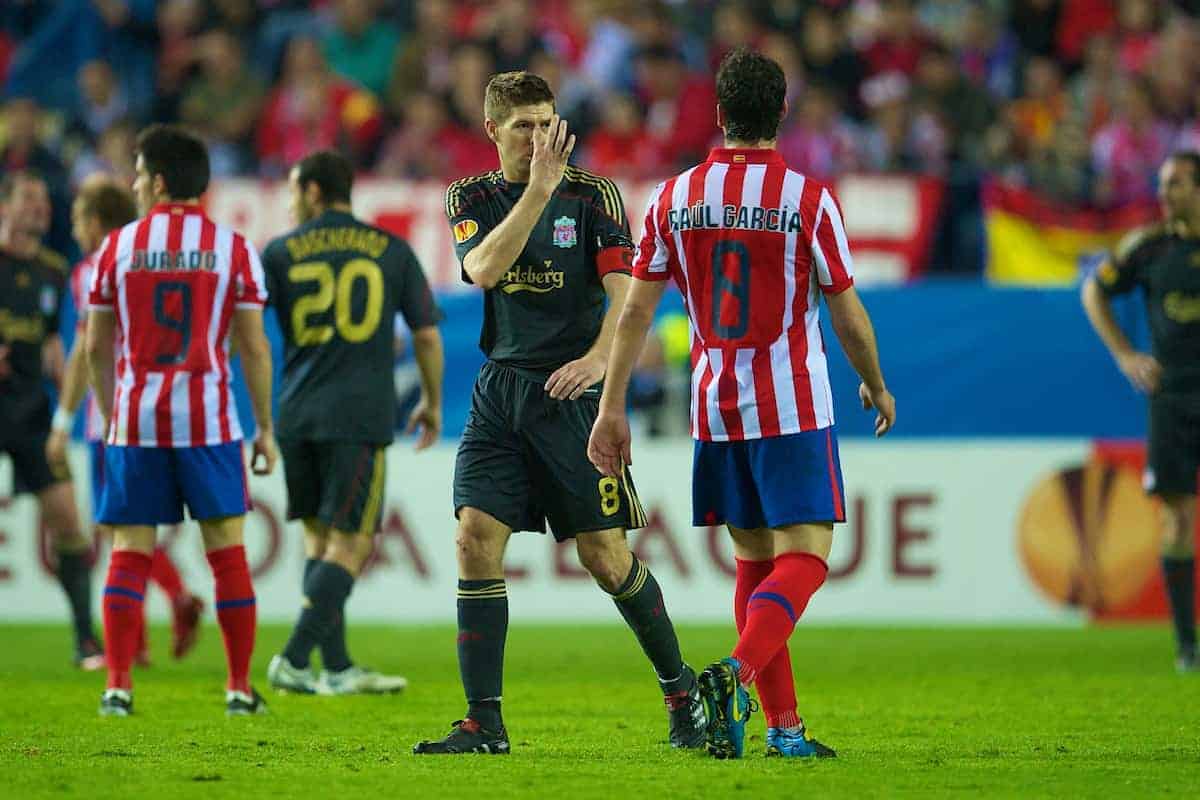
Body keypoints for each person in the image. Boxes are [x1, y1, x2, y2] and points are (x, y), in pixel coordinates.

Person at [588, 48, 897, 760]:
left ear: (720, 115)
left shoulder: (674, 197)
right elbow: (846, 312)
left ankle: (784, 732)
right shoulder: (807, 199)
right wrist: (875, 382)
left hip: (714, 408)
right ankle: (733, 673)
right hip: (789, 405)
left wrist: (612, 406)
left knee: (754, 566)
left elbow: (633, 315)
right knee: (810, 557)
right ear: (782, 114)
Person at [412, 71, 706, 756]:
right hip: (500, 391)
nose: (541, 137)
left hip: (571, 397)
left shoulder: (594, 193)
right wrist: (536, 192)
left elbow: (627, 295)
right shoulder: (471, 195)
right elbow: (482, 269)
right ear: (492, 129)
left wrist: (602, 361)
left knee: (606, 558)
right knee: (473, 540)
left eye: (548, 122)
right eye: (524, 125)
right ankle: (484, 722)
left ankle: (681, 690)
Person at [85, 124, 277, 717]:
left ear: (160, 181)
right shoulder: (233, 248)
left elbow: (95, 345)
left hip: (136, 421)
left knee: (129, 550)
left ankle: (118, 684)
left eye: (140, 175)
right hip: (209, 423)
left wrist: (112, 406)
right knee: (227, 554)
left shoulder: (116, 248)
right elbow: (253, 347)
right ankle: (239, 688)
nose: (135, 184)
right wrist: (264, 426)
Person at [261, 149, 445, 696]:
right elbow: (427, 334)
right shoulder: (390, 249)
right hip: (357, 412)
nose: (291, 200)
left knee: (320, 541)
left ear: (315, 192)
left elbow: (246, 325)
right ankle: (295, 657)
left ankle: (336, 667)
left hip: (296, 411)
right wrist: (432, 401)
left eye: (295, 190)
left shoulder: (278, 251)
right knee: (354, 543)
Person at [49, 174, 206, 668]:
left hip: (110, 419)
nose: (75, 231)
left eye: (78, 220)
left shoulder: (94, 268)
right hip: (167, 411)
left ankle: (145, 629)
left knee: (118, 531)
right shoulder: (156, 259)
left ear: (95, 222)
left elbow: (85, 351)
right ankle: (151, 622)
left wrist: (63, 419)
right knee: (135, 528)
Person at [1081, 151, 1200, 674]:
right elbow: (1094, 291)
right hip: (1173, 399)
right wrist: (1125, 353)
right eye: (1162, 182)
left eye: (1175, 183)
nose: (1164, 192)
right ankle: (1186, 646)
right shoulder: (1148, 248)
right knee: (1176, 518)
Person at [0, 170, 102, 669]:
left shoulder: (53, 270)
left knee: (68, 522)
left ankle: (86, 641)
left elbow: (49, 342)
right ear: (5, 206)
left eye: (43, 198)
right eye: (28, 197)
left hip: (28, 413)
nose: (39, 206)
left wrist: (67, 402)